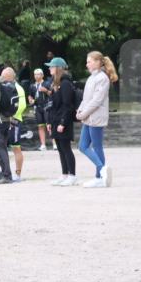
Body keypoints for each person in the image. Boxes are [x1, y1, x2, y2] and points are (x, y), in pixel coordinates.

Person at [76, 51, 118, 188]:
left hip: (96, 117)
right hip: (88, 117)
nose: (87, 64)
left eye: (89, 61)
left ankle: (100, 174)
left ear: (97, 62)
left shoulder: (102, 78)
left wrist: (83, 114)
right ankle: (102, 170)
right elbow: (86, 98)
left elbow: (97, 101)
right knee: (83, 146)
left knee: (97, 146)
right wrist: (80, 109)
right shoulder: (91, 78)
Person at [46, 57, 78, 186]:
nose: (49, 68)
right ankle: (64, 174)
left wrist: (62, 123)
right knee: (60, 148)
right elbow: (53, 105)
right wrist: (49, 121)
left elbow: (68, 105)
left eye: (51, 66)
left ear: (58, 68)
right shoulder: (56, 83)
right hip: (55, 120)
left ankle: (72, 175)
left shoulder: (65, 84)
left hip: (63, 121)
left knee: (66, 148)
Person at [1, 67, 28, 182]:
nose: (1, 78)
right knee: (3, 148)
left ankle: (18, 174)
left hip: (15, 121)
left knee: (16, 148)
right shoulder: (3, 86)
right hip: (5, 121)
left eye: (3, 76)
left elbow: (22, 105)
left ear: (9, 77)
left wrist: (12, 116)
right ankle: (6, 172)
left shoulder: (18, 88)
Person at [28, 68, 52, 151]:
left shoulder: (47, 83)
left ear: (42, 75)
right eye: (35, 74)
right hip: (37, 107)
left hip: (46, 106)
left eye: (39, 74)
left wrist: (46, 91)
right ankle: (43, 145)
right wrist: (30, 99)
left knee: (50, 125)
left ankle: (55, 144)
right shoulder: (32, 86)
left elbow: (52, 93)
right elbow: (30, 95)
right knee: (40, 126)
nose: (37, 76)